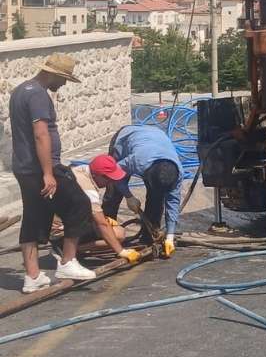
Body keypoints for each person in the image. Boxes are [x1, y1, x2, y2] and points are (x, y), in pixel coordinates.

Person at [9, 53, 97, 292]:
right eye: (64, 78)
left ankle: (33, 276)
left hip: (24, 167)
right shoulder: (38, 95)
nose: (65, 83)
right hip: (41, 168)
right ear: (52, 74)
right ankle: (68, 262)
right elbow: (41, 134)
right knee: (79, 204)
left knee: (34, 217)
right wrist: (48, 173)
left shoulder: (20, 91)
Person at [89, 122, 183, 257]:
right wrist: (128, 196)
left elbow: (173, 203)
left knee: (156, 198)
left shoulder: (177, 173)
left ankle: (149, 236)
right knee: (113, 192)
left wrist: (170, 235)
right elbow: (115, 175)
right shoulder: (138, 161)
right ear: (146, 174)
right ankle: (106, 235)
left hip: (154, 137)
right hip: (125, 138)